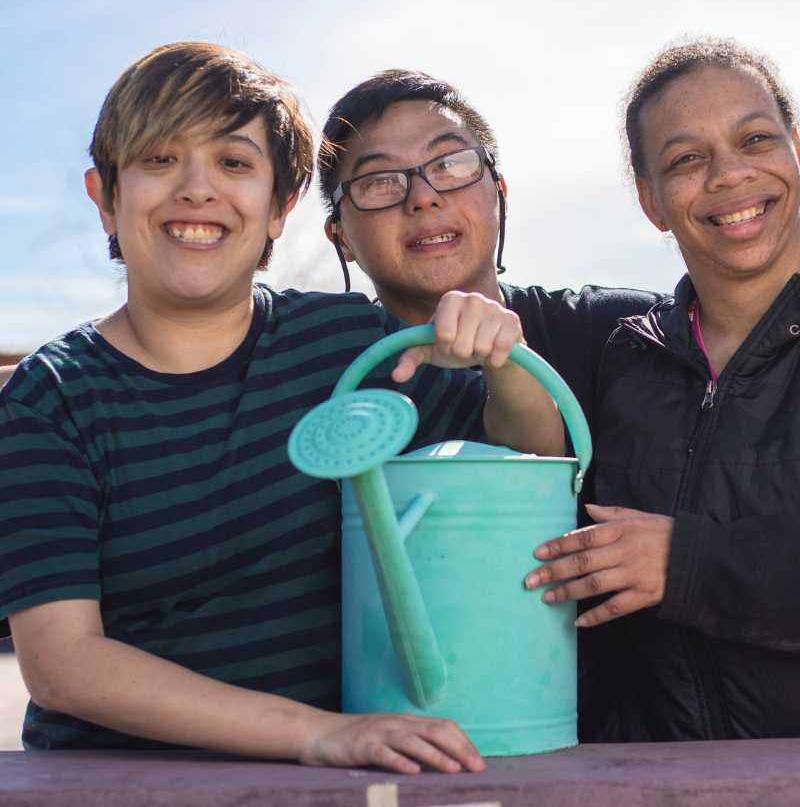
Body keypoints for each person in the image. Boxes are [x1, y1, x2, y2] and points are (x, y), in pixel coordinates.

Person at [0, 43, 563, 771]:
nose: (197, 190)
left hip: (343, 783)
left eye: (234, 164)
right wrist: (315, 733)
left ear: (279, 207)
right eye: (159, 160)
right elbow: (63, 664)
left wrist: (503, 368)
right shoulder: (51, 398)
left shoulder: (349, 347)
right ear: (105, 196)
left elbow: (523, 460)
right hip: (120, 780)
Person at [523, 39, 800, 741]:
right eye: (688, 158)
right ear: (652, 201)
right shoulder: (633, 361)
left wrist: (690, 565)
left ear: (799, 155)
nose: (729, 173)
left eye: (754, 139)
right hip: (683, 783)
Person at [318, 70, 663, 435]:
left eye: (449, 164)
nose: (423, 197)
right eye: (381, 181)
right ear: (342, 238)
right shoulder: (312, 372)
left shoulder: (627, 332)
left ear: (501, 194)